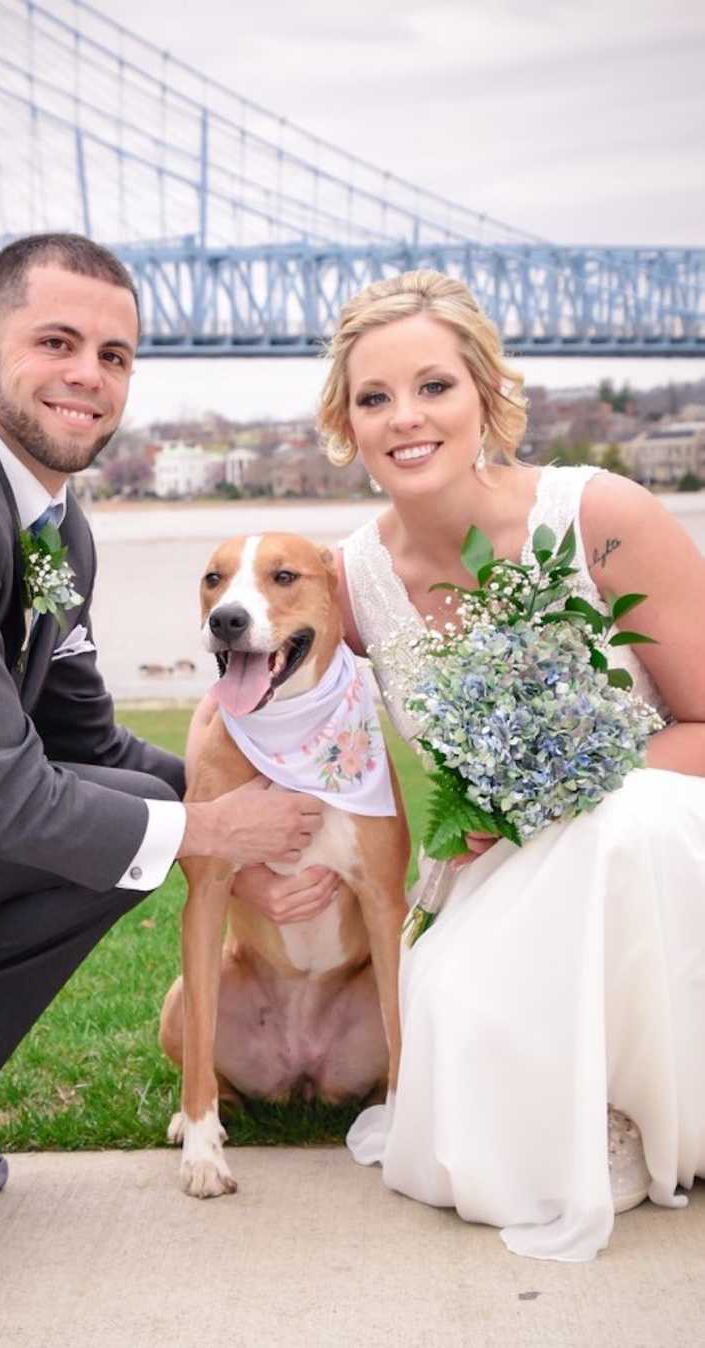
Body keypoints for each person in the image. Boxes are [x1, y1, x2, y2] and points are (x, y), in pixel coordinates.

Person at [0, 233, 325, 1277]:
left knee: (131, 800)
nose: (90, 374)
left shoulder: (51, 526)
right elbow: (5, 796)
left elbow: (84, 740)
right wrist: (208, 833)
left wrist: (250, 829)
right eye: (57, 341)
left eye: (116, 354)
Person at [318, 268, 705, 1261]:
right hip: (484, 870)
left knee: (626, 830)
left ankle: (655, 1112)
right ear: (347, 423)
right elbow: (281, 722)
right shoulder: (352, 586)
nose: (406, 416)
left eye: (434, 385)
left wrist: (561, 795)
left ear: (487, 395)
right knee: (461, 1095)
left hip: (658, 833)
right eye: (374, 397)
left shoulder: (599, 517)